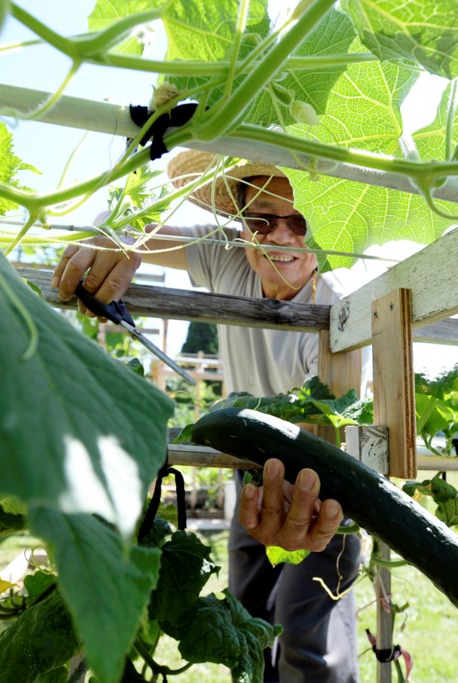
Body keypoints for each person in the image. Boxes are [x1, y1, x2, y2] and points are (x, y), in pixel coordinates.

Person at [52, 150, 362, 682]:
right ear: (241, 226)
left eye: (301, 220)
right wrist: (114, 237)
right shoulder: (228, 256)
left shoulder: (339, 306)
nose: (280, 237)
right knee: (248, 617)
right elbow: (143, 228)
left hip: (326, 482)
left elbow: (330, 432)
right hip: (249, 468)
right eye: (262, 220)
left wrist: (301, 495)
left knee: (308, 644)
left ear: (325, 225)